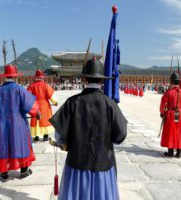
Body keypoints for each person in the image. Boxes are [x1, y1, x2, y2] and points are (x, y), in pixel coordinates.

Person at [49, 58, 127, 199]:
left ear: (84, 79)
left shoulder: (71, 102)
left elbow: (59, 136)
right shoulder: (110, 105)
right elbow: (120, 136)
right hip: (102, 164)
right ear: (102, 81)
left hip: (77, 164)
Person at [0, 64, 41, 181]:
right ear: (15, 76)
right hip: (19, 124)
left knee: (4, 146)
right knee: (21, 144)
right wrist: (37, 113)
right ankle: (24, 171)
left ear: (4, 76)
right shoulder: (19, 89)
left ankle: (4, 173)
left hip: (4, 124)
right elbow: (31, 106)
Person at [159, 72, 181, 158]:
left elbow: (163, 103)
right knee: (178, 131)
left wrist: (162, 112)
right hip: (178, 113)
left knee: (171, 131)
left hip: (171, 113)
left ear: (171, 82)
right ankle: (179, 153)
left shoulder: (168, 92)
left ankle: (171, 151)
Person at [28, 69, 58, 142]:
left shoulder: (31, 86)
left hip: (35, 105)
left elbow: (27, 97)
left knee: (36, 120)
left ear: (35, 77)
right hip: (44, 105)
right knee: (45, 120)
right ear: (42, 77)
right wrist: (55, 102)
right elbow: (51, 96)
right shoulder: (45, 85)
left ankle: (37, 137)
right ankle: (45, 136)